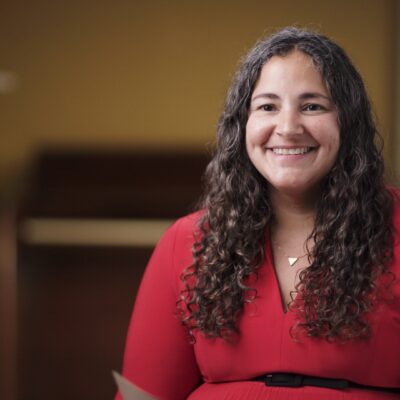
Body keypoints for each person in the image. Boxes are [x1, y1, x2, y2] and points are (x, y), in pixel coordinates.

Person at [115, 27, 400, 400]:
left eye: (312, 106)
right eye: (267, 106)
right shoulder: (187, 242)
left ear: (348, 121)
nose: (288, 128)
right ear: (242, 125)